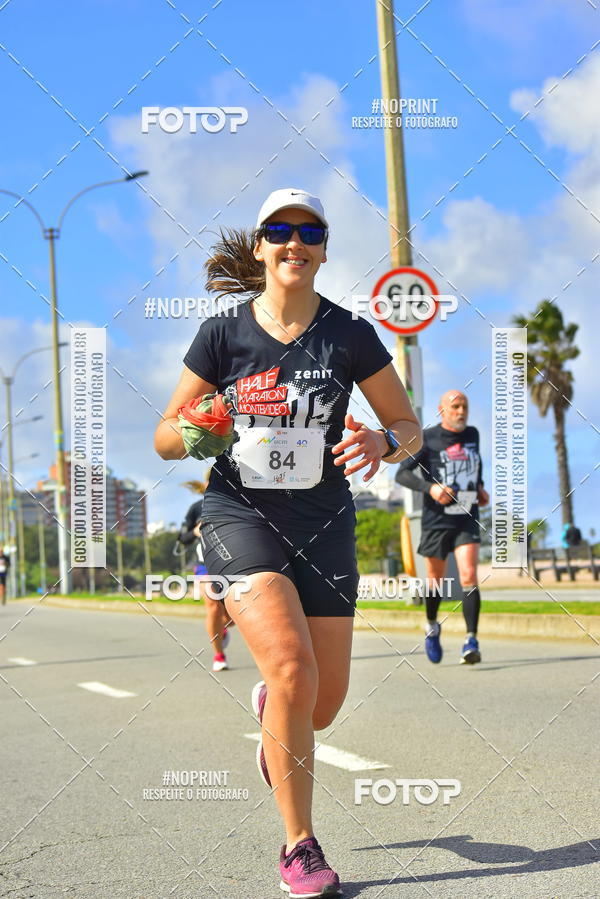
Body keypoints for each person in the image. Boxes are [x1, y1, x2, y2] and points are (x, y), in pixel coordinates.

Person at [155, 187, 422, 898]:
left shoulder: (349, 335)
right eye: (280, 229)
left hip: (326, 520)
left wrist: (382, 438)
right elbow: (163, 436)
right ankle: (299, 846)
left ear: (324, 249)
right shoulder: (222, 335)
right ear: (262, 247)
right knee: (292, 669)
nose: (294, 241)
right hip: (238, 514)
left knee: (320, 704)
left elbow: (410, 426)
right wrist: (198, 427)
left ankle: (273, 708)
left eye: (310, 231)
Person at [396, 390, 489, 665]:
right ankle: (432, 625)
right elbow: (402, 473)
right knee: (436, 582)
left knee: (469, 574)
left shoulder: (472, 434)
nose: (461, 412)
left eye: (465, 407)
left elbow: (476, 465)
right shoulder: (428, 439)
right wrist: (431, 488)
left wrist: (480, 488)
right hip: (436, 520)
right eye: (455, 406)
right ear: (441, 411)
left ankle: (471, 640)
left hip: (466, 516)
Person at [178, 475, 233, 672]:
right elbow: (182, 538)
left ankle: (221, 628)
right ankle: (219, 655)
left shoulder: (236, 503)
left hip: (233, 563)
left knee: (233, 614)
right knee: (213, 606)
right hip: (205, 565)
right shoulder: (196, 508)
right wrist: (194, 532)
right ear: (207, 484)